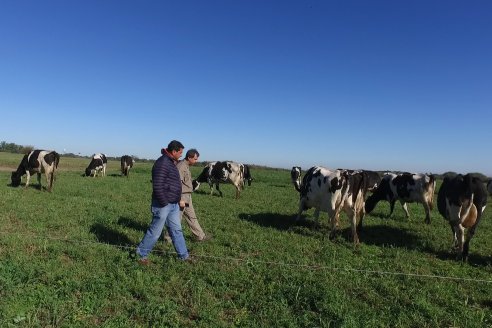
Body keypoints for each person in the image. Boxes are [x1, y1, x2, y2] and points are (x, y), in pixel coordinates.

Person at [135, 140, 191, 264]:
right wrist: (164, 202)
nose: (182, 155)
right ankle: (140, 255)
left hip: (173, 205)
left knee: (176, 230)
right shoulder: (162, 163)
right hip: (163, 205)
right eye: (180, 152)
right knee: (155, 232)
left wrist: (176, 200)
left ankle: (184, 256)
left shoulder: (170, 162)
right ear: (174, 151)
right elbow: (158, 185)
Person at [176, 149, 210, 241]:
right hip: (182, 196)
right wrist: (179, 199)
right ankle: (168, 239)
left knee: (192, 216)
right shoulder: (181, 167)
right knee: (176, 219)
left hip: (187, 196)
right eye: (195, 159)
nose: (196, 161)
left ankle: (200, 236)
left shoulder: (186, 166)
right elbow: (177, 184)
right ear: (189, 157)